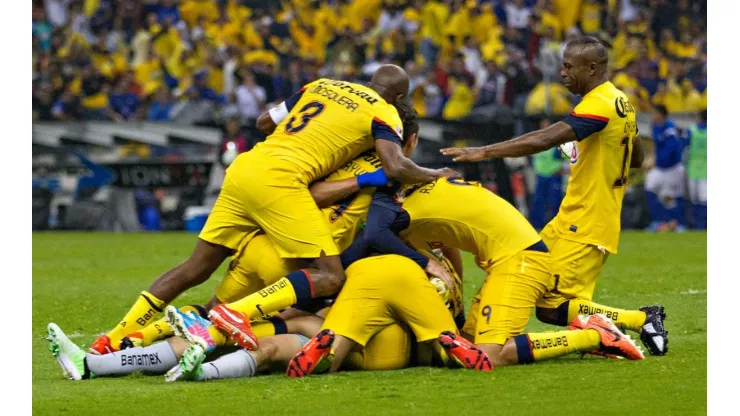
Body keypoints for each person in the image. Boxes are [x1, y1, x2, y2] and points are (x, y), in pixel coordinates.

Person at [90, 65, 459, 355]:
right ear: (398, 97)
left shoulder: (322, 85)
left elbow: (263, 122)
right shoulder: (386, 114)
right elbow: (395, 166)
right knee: (330, 276)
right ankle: (231, 315)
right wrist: (432, 172)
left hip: (247, 168)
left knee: (196, 267)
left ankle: (117, 336)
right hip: (283, 181)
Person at [440, 36, 668, 356]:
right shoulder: (619, 101)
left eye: (568, 66)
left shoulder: (598, 104)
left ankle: (640, 319)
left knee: (552, 307)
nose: (562, 72)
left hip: (588, 220)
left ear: (591, 68)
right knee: (527, 266)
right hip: (572, 216)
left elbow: (543, 139)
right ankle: (473, 331)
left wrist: (484, 151)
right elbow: (636, 158)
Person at [645, 105, 687, 232]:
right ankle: (659, 221)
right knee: (650, 187)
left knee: (672, 197)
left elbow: (673, 149)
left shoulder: (670, 128)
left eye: (654, 114)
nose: (652, 117)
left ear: (661, 115)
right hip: (660, 168)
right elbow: (656, 145)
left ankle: (678, 223)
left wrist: (658, 161)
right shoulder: (655, 126)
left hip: (672, 167)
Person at [529, 118, 565, 229]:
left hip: (554, 175)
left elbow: (566, 157)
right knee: (538, 201)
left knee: (555, 202)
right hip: (541, 175)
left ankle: (558, 226)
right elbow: (534, 158)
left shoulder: (557, 142)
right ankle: (536, 226)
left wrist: (562, 168)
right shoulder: (537, 142)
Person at [686, 110, 707, 229]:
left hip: (694, 168)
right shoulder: (692, 130)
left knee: (695, 198)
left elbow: (685, 147)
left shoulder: (691, 130)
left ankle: (698, 225)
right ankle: (700, 226)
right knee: (703, 199)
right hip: (703, 169)